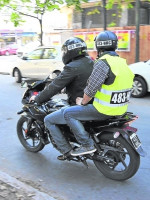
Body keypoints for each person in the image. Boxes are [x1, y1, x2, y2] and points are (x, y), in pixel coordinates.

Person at [63, 30, 135, 156]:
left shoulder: (103, 63)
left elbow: (91, 89)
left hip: (104, 110)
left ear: (98, 46)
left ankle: (86, 145)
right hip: (121, 109)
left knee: (68, 113)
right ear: (115, 45)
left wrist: (82, 102)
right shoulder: (122, 62)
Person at [29, 37, 94, 159]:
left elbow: (54, 86)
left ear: (69, 52)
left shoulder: (72, 67)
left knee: (49, 119)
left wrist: (37, 99)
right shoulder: (91, 61)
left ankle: (66, 151)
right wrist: (66, 88)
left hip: (80, 106)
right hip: (94, 103)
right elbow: (81, 82)